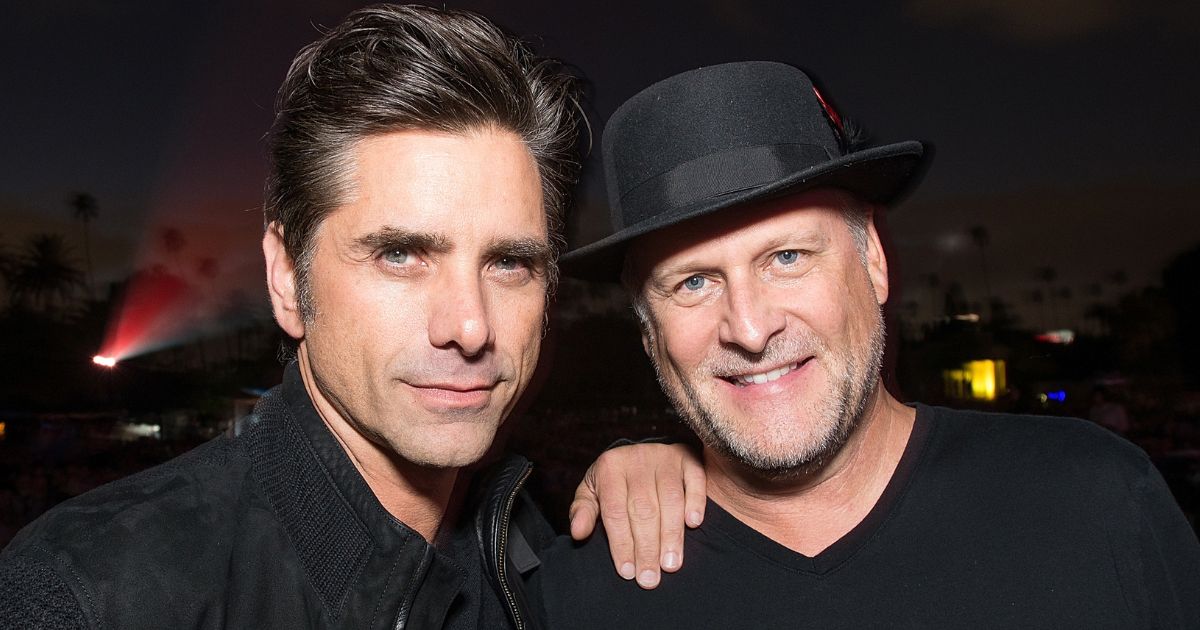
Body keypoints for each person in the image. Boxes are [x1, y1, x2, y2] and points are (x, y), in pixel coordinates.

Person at [0, 6, 699, 628]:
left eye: (509, 263)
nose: (471, 325)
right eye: (400, 255)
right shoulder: (88, 593)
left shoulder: (535, 543)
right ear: (286, 279)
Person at [532, 61, 1200, 628]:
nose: (751, 326)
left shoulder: (1099, 504)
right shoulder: (577, 599)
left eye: (788, 257)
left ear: (874, 261)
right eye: (694, 281)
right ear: (649, 334)